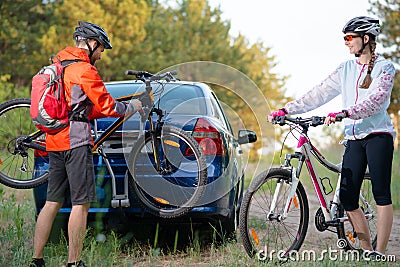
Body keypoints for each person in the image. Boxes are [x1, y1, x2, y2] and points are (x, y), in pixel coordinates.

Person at [269, 16, 396, 256]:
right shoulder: (345, 69)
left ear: (365, 39)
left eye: (350, 38)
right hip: (354, 138)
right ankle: (366, 250)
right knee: (348, 199)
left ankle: (379, 252)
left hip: (379, 136)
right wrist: (287, 109)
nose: (346, 43)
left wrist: (346, 112)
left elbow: (377, 101)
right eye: (344, 39)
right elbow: (319, 93)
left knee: (381, 194)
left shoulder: (385, 68)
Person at [29, 21, 142, 267]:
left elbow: (80, 109)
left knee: (52, 202)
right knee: (81, 204)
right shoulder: (85, 71)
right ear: (91, 43)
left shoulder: (60, 65)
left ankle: (36, 260)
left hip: (55, 141)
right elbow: (108, 106)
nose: (101, 54)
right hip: (76, 143)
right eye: (101, 48)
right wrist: (131, 108)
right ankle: (73, 263)